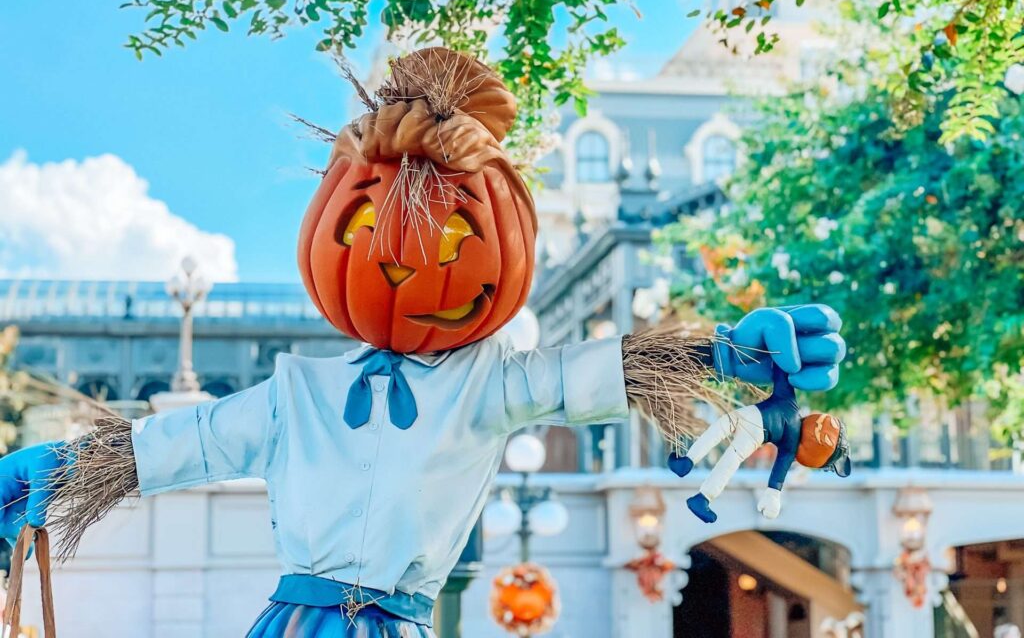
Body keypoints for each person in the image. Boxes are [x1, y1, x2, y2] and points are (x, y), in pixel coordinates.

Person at [0, 48, 847, 637]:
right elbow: (186, 440)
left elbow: (598, 372)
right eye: (369, 227)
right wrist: (61, 467)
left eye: (449, 243)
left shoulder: (490, 386)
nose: (406, 269)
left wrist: (724, 355)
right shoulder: (296, 394)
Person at [669, 351, 851, 523]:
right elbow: (779, 474)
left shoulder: (789, 403)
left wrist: (778, 349)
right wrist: (772, 495)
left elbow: (781, 369)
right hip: (755, 434)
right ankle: (702, 496)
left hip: (750, 420)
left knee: (720, 431)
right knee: (730, 459)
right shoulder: (791, 444)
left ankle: (688, 462)